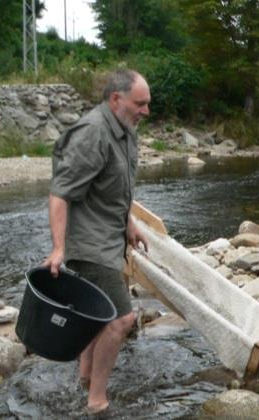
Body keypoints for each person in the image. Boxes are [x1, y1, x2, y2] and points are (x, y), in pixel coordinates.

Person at [42, 68, 151, 414]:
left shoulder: (126, 129)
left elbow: (112, 188)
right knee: (121, 321)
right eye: (140, 103)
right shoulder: (93, 133)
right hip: (89, 247)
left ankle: (85, 379)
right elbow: (60, 194)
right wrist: (59, 248)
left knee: (95, 316)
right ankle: (97, 402)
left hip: (110, 237)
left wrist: (128, 223)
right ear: (115, 99)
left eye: (148, 103)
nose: (146, 111)